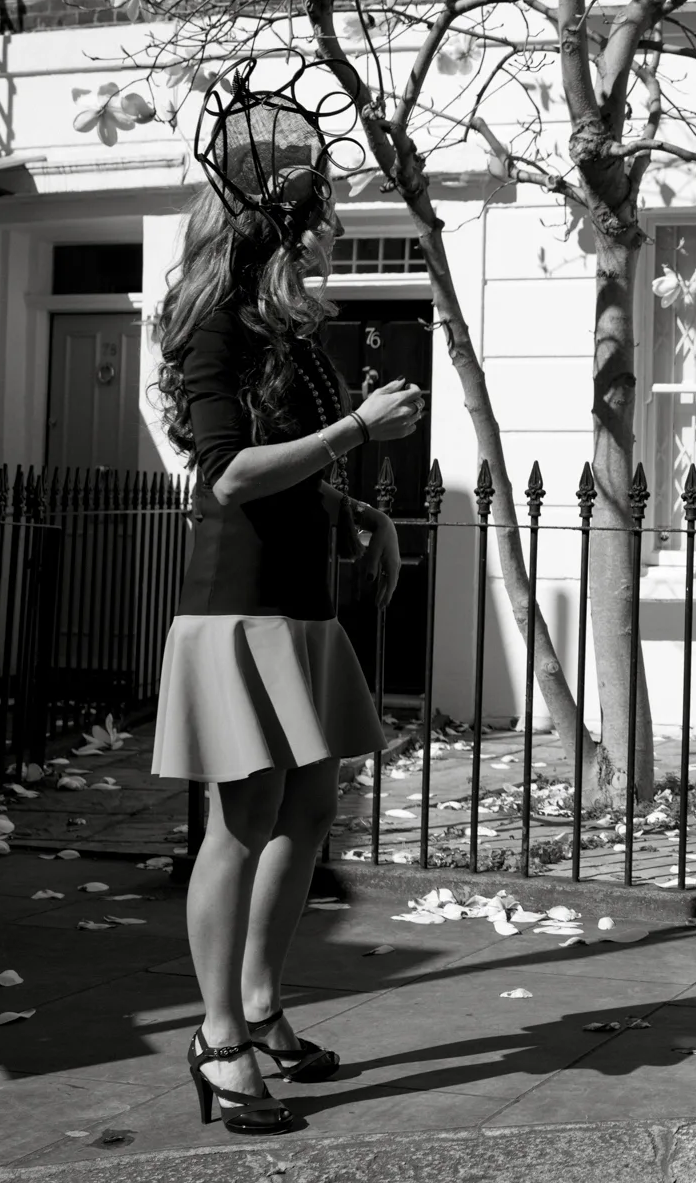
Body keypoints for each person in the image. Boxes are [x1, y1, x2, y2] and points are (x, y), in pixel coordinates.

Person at [150, 92, 425, 1134]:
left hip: (304, 599)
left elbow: (294, 473)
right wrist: (355, 430)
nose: (329, 225)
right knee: (244, 817)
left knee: (311, 812)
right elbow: (225, 478)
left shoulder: (285, 324)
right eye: (317, 210)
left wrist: (361, 510)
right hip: (239, 606)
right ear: (270, 218)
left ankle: (262, 1006)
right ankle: (218, 1038)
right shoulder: (209, 322)